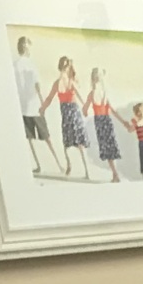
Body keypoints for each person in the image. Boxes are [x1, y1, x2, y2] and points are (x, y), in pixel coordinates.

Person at [13, 36, 53, 175]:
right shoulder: (30, 64)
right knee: (45, 136)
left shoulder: (15, 64)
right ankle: (58, 163)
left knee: (30, 138)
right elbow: (37, 85)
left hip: (24, 106)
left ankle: (40, 165)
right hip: (33, 106)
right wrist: (42, 103)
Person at [49, 57, 89, 180]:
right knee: (73, 142)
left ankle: (76, 167)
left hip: (69, 113)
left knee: (71, 142)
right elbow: (79, 95)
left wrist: (85, 106)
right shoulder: (67, 81)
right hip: (71, 112)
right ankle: (78, 168)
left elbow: (78, 94)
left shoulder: (63, 81)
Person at [85, 68, 122, 184]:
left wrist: (85, 111)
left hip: (100, 122)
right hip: (107, 120)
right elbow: (112, 110)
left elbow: (85, 110)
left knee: (107, 149)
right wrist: (123, 122)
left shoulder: (92, 94)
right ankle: (115, 174)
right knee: (111, 147)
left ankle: (115, 174)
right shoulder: (104, 93)